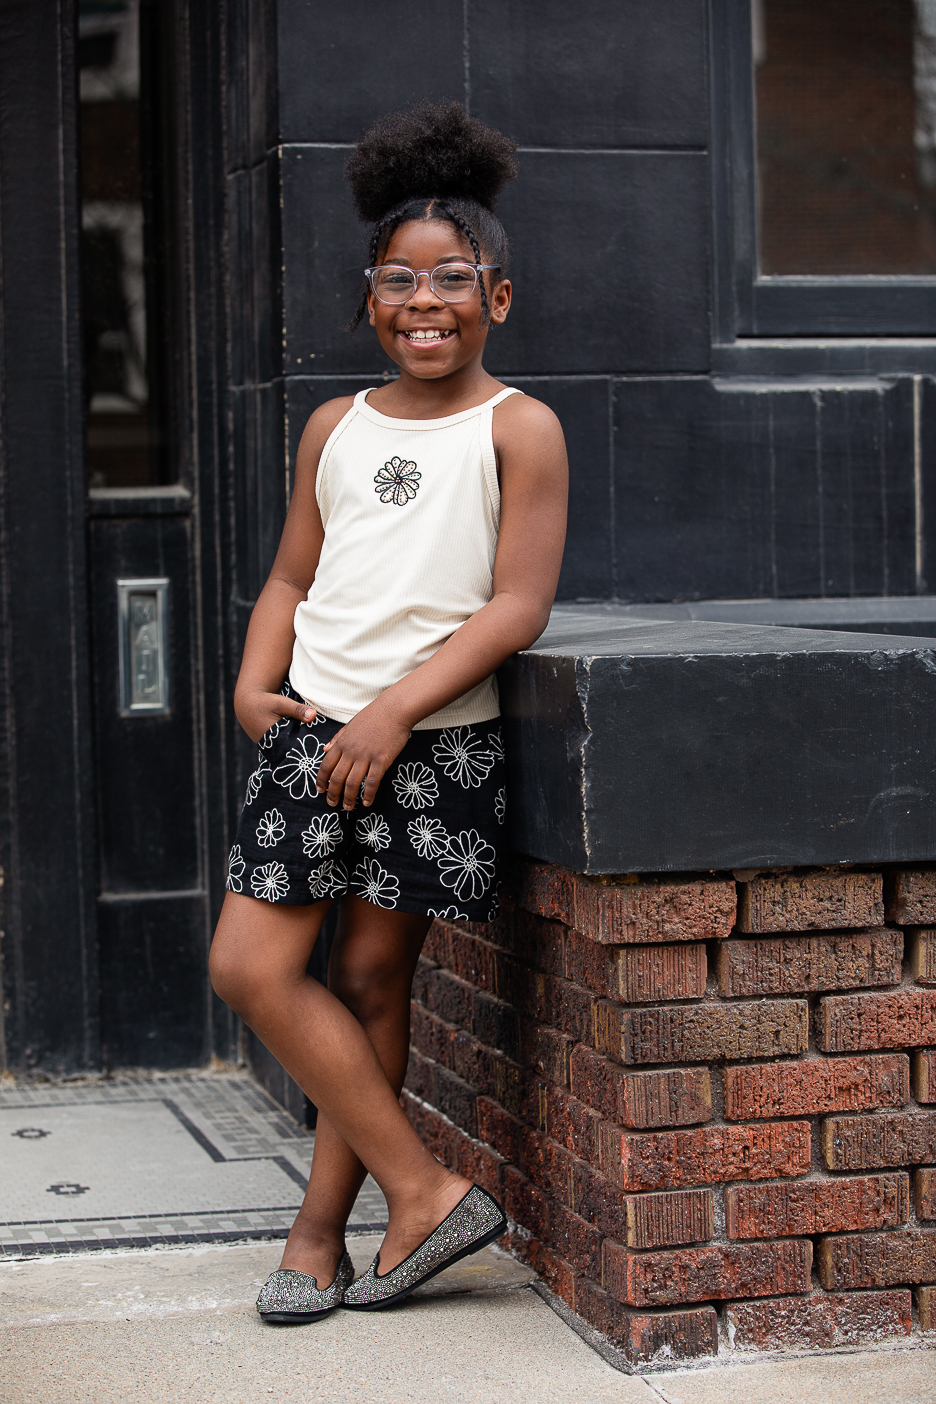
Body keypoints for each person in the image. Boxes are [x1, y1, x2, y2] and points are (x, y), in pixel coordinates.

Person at [209, 101, 568, 1323]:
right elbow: (291, 576)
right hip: (310, 738)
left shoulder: (521, 429)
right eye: (400, 279)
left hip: (434, 749)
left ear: (497, 297)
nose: (427, 300)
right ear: (370, 299)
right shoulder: (334, 426)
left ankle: (321, 1237)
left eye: (453, 278)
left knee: (370, 981)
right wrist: (252, 684)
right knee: (250, 966)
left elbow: (516, 605)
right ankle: (424, 1192)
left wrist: (395, 712)